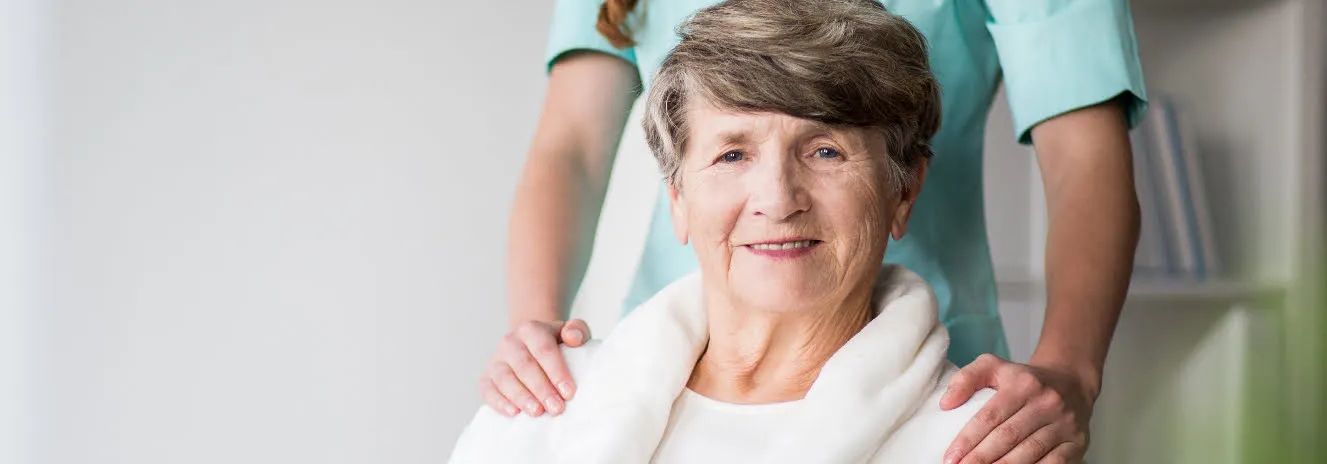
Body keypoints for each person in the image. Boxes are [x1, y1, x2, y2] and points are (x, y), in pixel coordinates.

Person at [485, 0, 1145, 461]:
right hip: (680, 358)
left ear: (906, 186)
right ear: (677, 193)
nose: (775, 197)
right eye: (732, 153)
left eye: (825, 150)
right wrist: (536, 331)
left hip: (937, 373)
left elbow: (1083, 159)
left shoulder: (963, 432)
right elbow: (570, 144)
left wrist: (1071, 368)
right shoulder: (565, 421)